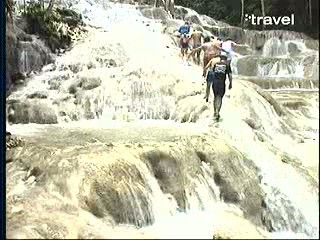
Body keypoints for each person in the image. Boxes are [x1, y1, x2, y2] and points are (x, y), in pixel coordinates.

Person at [204, 55, 232, 121]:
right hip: (221, 83)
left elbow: (212, 72)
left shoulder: (216, 64)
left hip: (215, 82)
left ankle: (214, 112)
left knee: (215, 97)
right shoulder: (227, 65)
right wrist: (230, 83)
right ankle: (218, 112)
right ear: (225, 59)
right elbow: (230, 75)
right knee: (220, 98)